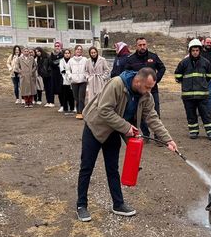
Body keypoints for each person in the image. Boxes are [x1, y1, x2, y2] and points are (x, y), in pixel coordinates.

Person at [76, 67, 178, 222]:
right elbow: (104, 110)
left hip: (113, 131)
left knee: (112, 168)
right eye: (147, 87)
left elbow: (152, 118)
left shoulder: (146, 96)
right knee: (87, 167)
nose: (149, 91)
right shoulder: (116, 84)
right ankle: (81, 205)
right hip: (95, 127)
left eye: (151, 88)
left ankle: (118, 204)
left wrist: (168, 140)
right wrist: (127, 127)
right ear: (137, 81)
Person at [124, 37, 166, 138]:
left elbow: (162, 68)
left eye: (144, 45)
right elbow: (126, 73)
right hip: (138, 92)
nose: (142, 47)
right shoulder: (131, 59)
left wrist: (156, 81)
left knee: (155, 112)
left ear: (146, 45)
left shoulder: (153, 56)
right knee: (139, 114)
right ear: (136, 46)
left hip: (153, 90)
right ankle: (145, 134)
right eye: (140, 45)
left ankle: (158, 135)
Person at [175, 39, 211, 140]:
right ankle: (193, 132)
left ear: (200, 51)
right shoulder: (183, 63)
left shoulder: (206, 63)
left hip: (202, 94)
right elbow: (177, 75)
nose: (195, 52)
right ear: (190, 51)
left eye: (197, 50)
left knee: (206, 114)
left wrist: (201, 84)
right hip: (188, 95)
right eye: (193, 50)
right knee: (191, 114)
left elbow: (209, 76)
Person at [68, 45, 88, 119]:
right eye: (77, 49)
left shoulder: (85, 59)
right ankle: (78, 112)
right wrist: (70, 76)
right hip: (74, 81)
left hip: (83, 81)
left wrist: (85, 76)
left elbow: (87, 69)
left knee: (81, 98)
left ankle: (81, 112)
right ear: (75, 50)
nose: (79, 50)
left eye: (80, 49)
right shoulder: (71, 60)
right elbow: (67, 70)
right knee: (76, 98)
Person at [59, 48, 76, 114]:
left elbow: (73, 69)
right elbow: (62, 70)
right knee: (64, 95)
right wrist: (67, 71)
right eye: (65, 53)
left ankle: (72, 107)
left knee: (71, 95)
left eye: (68, 53)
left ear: (70, 54)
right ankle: (65, 108)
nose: (67, 54)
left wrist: (69, 73)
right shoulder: (61, 61)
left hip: (71, 79)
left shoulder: (72, 61)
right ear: (63, 54)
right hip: (64, 79)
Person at [49, 41, 64, 111]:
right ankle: (62, 105)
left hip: (62, 75)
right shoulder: (52, 54)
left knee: (63, 90)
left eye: (58, 46)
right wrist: (57, 63)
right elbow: (51, 63)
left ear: (61, 47)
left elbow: (62, 64)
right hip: (54, 75)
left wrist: (56, 63)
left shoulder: (63, 54)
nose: (57, 47)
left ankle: (67, 104)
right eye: (56, 46)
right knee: (58, 90)